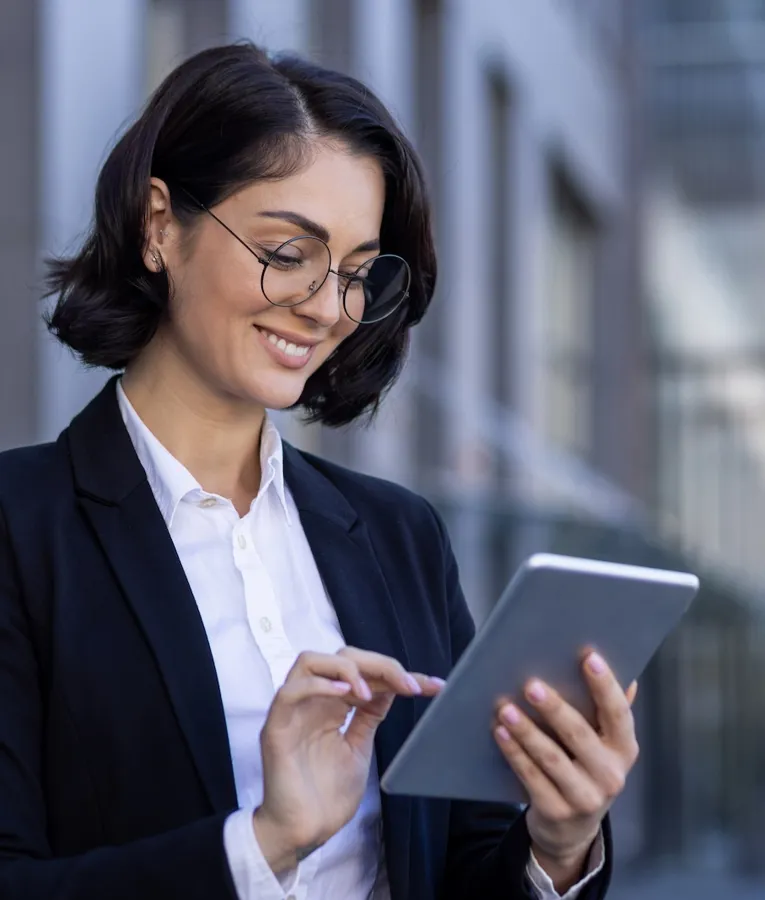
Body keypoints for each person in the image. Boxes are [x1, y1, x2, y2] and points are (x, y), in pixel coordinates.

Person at [0, 43, 639, 900]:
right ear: (159, 227)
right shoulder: (18, 526)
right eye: (286, 251)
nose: (327, 306)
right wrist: (263, 844)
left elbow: (459, 864)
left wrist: (556, 844)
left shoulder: (398, 535)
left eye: (354, 272)